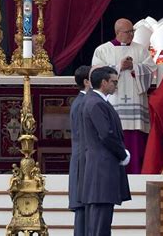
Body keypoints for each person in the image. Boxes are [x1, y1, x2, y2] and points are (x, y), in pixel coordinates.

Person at [92, 18, 157, 174]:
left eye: (132, 32)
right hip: (114, 103)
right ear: (118, 32)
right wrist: (118, 67)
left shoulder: (141, 50)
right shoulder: (103, 50)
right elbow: (96, 73)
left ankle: (136, 175)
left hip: (135, 104)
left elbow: (151, 69)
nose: (131, 35)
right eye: (128, 32)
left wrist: (134, 67)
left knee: (136, 144)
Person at [81, 66, 131, 235]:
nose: (116, 86)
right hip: (101, 171)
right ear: (103, 82)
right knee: (100, 225)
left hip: (101, 170)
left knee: (101, 223)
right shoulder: (96, 103)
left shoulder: (97, 101)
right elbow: (106, 134)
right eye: (114, 82)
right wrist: (123, 153)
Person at [68, 65, 91, 236]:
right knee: (83, 211)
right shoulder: (83, 103)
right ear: (86, 82)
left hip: (84, 158)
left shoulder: (83, 101)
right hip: (83, 159)